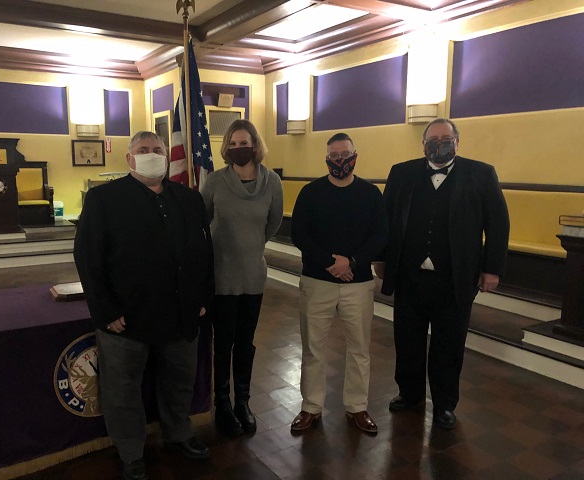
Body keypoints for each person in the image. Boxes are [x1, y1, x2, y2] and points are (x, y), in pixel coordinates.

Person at [73, 131, 214, 480]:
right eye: (143, 149)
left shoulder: (189, 198)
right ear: (129, 158)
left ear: (167, 156)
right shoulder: (104, 199)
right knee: (122, 390)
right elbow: (88, 257)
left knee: (180, 381)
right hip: (126, 318)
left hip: (181, 312)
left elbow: (203, 253)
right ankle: (131, 452)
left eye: (157, 149)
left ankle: (178, 434)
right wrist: (106, 311)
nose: (152, 154)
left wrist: (201, 298)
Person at [374, 118, 509, 430]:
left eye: (446, 139)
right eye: (433, 140)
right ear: (423, 145)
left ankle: (445, 404)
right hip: (409, 276)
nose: (440, 145)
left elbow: (498, 224)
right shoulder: (402, 173)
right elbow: (386, 218)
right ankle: (409, 394)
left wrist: (491, 269)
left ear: (457, 142)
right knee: (407, 339)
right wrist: (381, 258)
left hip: (455, 279)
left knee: (448, 345)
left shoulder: (481, 174)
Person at [290, 132, 388, 434]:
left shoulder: (371, 194)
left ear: (354, 156)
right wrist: (332, 263)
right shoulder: (310, 192)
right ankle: (311, 406)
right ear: (327, 159)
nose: (340, 160)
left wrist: (352, 262)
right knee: (312, 348)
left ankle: (357, 406)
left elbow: (380, 235)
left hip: (358, 283)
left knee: (359, 349)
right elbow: (299, 234)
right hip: (317, 281)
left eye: (345, 155)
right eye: (334, 156)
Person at [200, 119, 283, 436]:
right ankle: (222, 403)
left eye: (244, 143)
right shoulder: (215, 181)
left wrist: (252, 244)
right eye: (233, 144)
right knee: (223, 343)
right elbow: (203, 220)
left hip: (253, 274)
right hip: (221, 275)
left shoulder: (272, 182)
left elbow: (273, 222)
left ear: (255, 144)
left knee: (245, 343)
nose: (238, 148)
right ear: (226, 148)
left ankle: (243, 402)